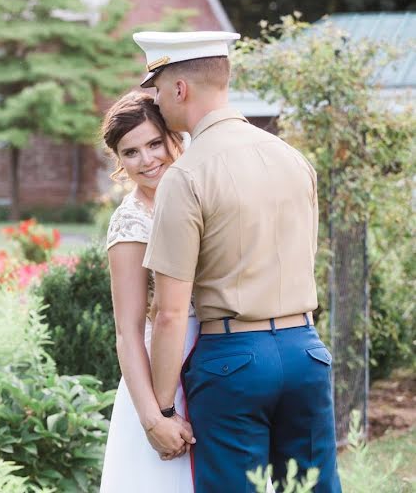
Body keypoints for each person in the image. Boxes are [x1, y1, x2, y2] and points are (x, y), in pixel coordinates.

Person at [134, 31, 342, 492]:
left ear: (179, 89)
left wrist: (163, 411)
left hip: (233, 361)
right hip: (305, 349)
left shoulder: (186, 175)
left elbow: (169, 313)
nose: (157, 101)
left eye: (158, 88)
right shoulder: (293, 158)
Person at [98, 91, 196, 493]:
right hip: (163, 374)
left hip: (222, 358)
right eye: (131, 152)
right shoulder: (131, 223)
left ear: (174, 137)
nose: (147, 159)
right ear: (119, 161)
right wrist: (154, 417)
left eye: (154, 143)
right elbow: (128, 332)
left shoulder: (200, 194)